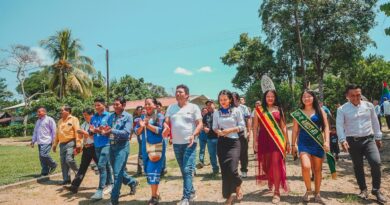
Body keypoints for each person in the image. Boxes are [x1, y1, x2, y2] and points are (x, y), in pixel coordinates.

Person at [336, 84, 387, 203]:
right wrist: (342, 140)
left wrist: (378, 137)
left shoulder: (369, 106)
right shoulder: (342, 109)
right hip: (352, 141)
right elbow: (339, 125)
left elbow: (375, 122)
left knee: (376, 162)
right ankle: (363, 189)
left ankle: (376, 189)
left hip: (369, 139)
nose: (356, 97)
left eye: (358, 95)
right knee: (358, 166)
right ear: (347, 96)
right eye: (352, 95)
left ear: (361, 94)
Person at [163, 84, 202, 205]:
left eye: (180, 92)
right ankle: (192, 191)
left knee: (187, 169)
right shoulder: (171, 108)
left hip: (190, 143)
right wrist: (166, 128)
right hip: (176, 144)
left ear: (187, 95)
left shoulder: (193, 107)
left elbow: (200, 124)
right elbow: (166, 122)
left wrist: (193, 134)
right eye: (176, 92)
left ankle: (186, 198)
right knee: (183, 170)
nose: (178, 93)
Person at [291, 90, 330, 203]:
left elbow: (326, 127)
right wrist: (293, 145)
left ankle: (317, 193)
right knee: (306, 166)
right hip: (303, 143)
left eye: (309, 96)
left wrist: (327, 141)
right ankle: (308, 190)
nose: (306, 98)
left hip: (317, 142)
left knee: (317, 170)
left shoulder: (320, 111)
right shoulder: (298, 113)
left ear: (313, 98)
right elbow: (294, 130)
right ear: (301, 99)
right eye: (304, 96)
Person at [252, 90, 289, 204]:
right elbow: (255, 127)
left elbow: (283, 127)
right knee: (266, 166)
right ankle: (270, 178)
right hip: (263, 140)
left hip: (277, 141)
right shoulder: (258, 110)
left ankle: (277, 192)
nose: (270, 98)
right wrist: (255, 142)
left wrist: (286, 142)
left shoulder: (279, 109)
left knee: (276, 164)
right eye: (268, 96)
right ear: (265, 98)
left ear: (275, 98)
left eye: (272, 96)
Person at [102, 96, 139, 205]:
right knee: (118, 172)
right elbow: (107, 128)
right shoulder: (111, 116)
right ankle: (132, 182)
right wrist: (101, 130)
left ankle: (114, 200)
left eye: (117, 104)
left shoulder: (127, 117)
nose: (115, 106)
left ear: (123, 105)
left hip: (122, 147)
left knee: (117, 174)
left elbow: (126, 133)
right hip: (112, 146)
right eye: (114, 104)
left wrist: (111, 130)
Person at [213, 90, 245, 205]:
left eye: (225, 99)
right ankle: (229, 197)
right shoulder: (216, 113)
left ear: (230, 99)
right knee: (225, 171)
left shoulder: (236, 111)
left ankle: (238, 184)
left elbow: (242, 126)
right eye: (221, 100)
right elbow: (214, 127)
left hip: (234, 143)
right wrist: (219, 132)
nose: (223, 102)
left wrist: (230, 130)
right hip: (221, 143)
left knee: (232, 169)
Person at [135, 98, 166, 205]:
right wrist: (142, 126)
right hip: (145, 147)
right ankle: (156, 193)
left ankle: (153, 197)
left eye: (149, 104)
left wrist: (148, 125)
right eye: (145, 104)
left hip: (156, 146)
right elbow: (137, 132)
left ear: (155, 105)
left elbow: (160, 131)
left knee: (154, 170)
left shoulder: (159, 116)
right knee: (148, 170)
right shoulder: (142, 117)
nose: (147, 106)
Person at [65, 108, 98, 193]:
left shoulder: (96, 123)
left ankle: (108, 183)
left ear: (92, 115)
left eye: (86, 115)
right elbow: (82, 136)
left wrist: (84, 133)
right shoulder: (84, 124)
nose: (85, 117)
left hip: (95, 147)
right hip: (87, 147)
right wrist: (78, 147)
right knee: (82, 168)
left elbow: (92, 136)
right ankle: (74, 186)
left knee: (101, 167)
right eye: (84, 116)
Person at [89, 97, 113, 200]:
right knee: (106, 165)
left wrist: (98, 130)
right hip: (97, 144)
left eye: (98, 105)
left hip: (106, 144)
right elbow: (91, 131)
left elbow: (110, 131)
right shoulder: (93, 117)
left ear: (104, 105)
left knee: (101, 166)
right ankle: (111, 184)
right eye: (95, 105)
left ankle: (100, 190)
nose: (96, 107)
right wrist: (92, 131)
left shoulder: (109, 116)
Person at [52, 105, 81, 185]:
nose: (60, 112)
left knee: (69, 159)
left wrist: (78, 143)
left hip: (71, 142)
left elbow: (77, 131)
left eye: (62, 110)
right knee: (63, 162)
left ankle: (79, 173)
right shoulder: (60, 121)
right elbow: (57, 133)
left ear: (68, 111)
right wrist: (55, 144)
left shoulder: (74, 119)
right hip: (62, 144)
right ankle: (66, 179)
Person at [31, 107, 57, 176]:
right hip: (40, 141)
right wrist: (33, 141)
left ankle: (53, 164)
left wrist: (54, 140)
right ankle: (45, 171)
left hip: (47, 141)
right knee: (41, 157)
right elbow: (35, 131)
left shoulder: (49, 119)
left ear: (44, 112)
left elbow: (54, 130)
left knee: (43, 155)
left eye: (39, 112)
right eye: (37, 112)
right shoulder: (38, 121)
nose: (38, 113)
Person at [232, 93, 251, 178]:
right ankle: (233, 171)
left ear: (238, 99)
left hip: (242, 133)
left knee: (243, 153)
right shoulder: (228, 108)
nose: (232, 100)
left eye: (234, 99)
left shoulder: (243, 108)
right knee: (233, 153)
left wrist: (249, 131)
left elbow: (248, 119)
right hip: (231, 134)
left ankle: (244, 170)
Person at [203, 99, 219, 174]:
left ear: (214, 105)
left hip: (219, 138)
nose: (209, 106)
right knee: (212, 155)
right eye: (207, 105)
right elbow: (203, 124)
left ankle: (224, 169)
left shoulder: (219, 113)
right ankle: (215, 170)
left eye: (210, 104)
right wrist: (204, 128)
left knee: (221, 155)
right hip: (209, 138)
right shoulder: (206, 115)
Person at [156, 100, 168, 177]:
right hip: (157, 137)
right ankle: (162, 168)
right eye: (156, 106)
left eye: (158, 106)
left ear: (161, 107)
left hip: (163, 137)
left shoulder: (162, 116)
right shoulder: (154, 116)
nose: (157, 107)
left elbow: (161, 127)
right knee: (159, 153)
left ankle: (163, 169)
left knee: (162, 153)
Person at [133, 106, 144, 176]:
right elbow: (134, 128)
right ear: (136, 111)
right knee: (141, 154)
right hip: (140, 137)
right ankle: (139, 170)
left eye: (141, 110)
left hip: (147, 138)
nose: (140, 111)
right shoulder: (136, 119)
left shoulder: (145, 117)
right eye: (139, 110)